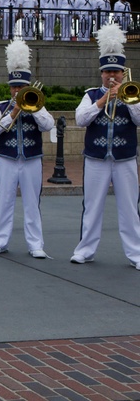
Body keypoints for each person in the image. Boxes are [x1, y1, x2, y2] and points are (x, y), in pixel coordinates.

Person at [71, 23, 140, 269]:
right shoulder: (90, 94)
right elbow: (81, 120)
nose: (112, 76)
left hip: (125, 158)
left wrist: (128, 98)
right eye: (107, 71)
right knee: (92, 205)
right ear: (101, 73)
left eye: (116, 71)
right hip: (96, 158)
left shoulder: (134, 93)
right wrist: (102, 100)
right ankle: (85, 250)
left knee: (130, 208)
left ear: (123, 72)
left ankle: (136, 254)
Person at [0, 40, 54, 259]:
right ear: (10, 87)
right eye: (14, 87)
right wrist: (14, 111)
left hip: (32, 159)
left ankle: (36, 244)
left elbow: (48, 125)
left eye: (21, 87)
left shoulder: (38, 105)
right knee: (4, 201)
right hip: (7, 159)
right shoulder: (0, 107)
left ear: (28, 87)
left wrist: (32, 108)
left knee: (32, 203)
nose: (17, 91)